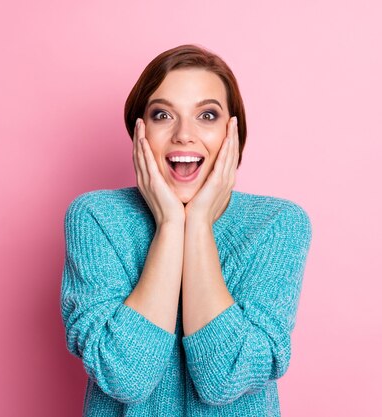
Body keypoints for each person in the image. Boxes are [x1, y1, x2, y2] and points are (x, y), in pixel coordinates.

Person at [60, 44, 312, 417]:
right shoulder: (97, 217)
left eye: (207, 115)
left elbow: (224, 378)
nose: (183, 135)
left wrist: (197, 225)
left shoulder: (277, 225)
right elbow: (125, 375)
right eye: (163, 115)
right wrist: (169, 223)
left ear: (233, 134)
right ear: (139, 133)